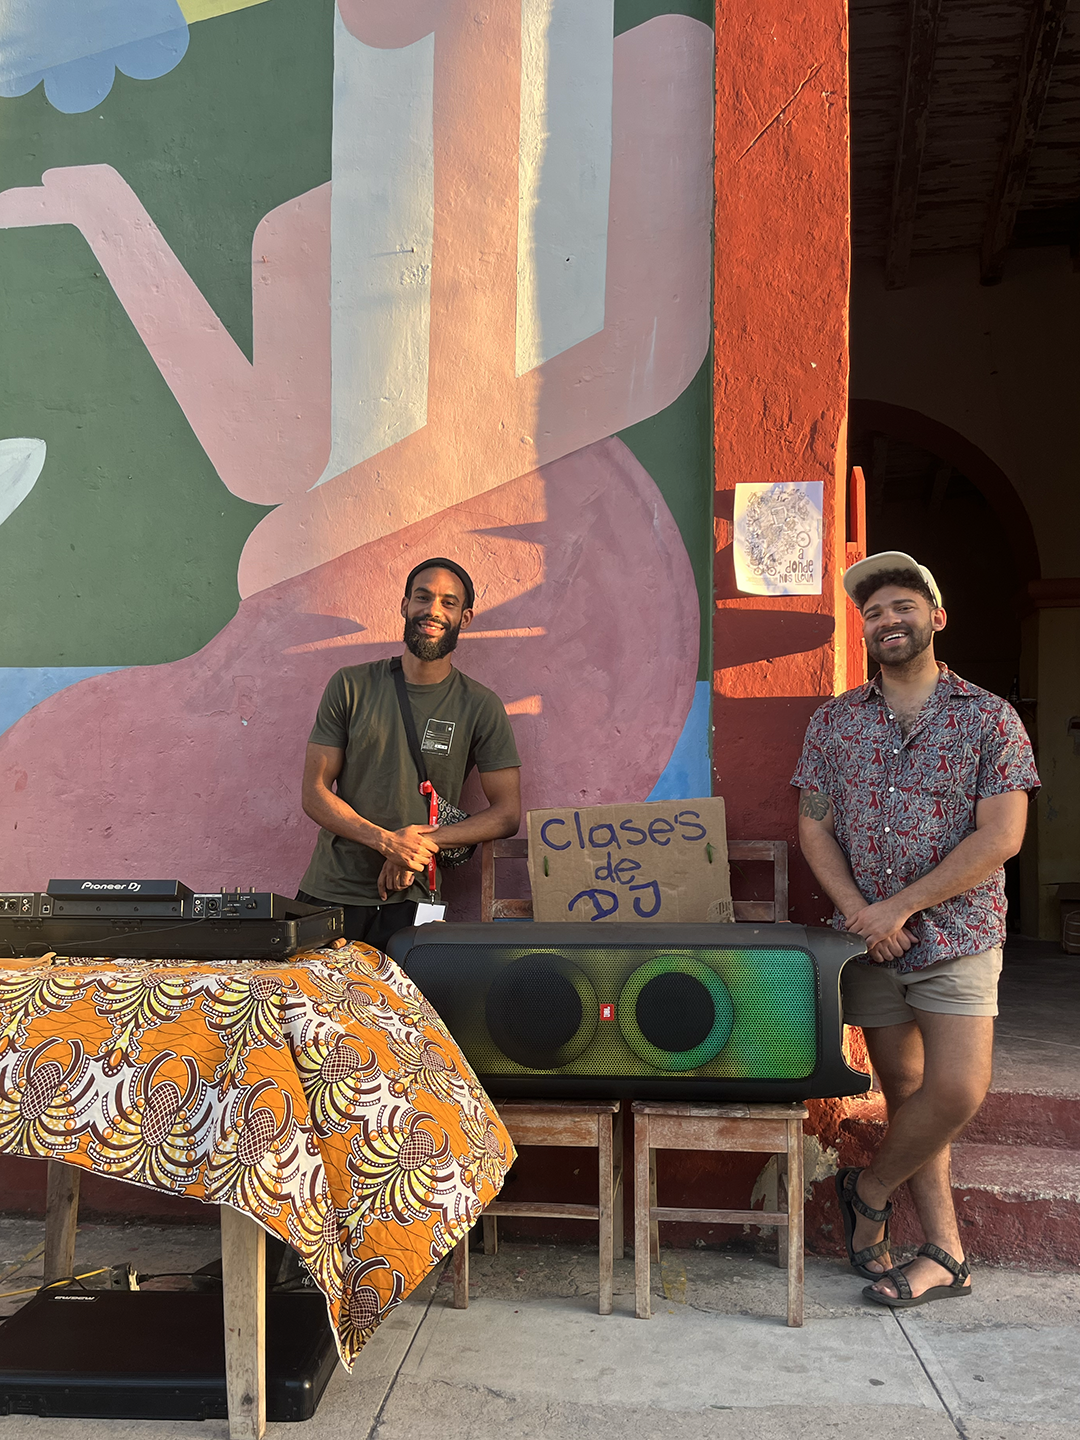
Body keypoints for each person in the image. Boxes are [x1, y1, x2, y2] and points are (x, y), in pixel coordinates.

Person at [792, 551, 1038, 1309]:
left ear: (936, 617)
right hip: (870, 943)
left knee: (955, 1088)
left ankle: (865, 1191)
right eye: (872, 613)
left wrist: (899, 906)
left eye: (903, 605)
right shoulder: (834, 721)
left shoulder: (989, 716)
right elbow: (813, 827)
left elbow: (1002, 836)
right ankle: (944, 1255)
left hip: (958, 935)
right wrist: (866, 916)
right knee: (905, 1093)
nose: (886, 620)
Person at [298, 557, 522, 948]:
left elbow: (506, 814)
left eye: (448, 603)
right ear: (405, 606)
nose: (433, 610)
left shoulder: (480, 705)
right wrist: (387, 842)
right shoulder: (350, 686)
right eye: (423, 597)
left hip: (415, 895)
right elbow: (314, 793)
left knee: (406, 1010)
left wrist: (419, 847)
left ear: (464, 618)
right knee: (310, 1008)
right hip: (332, 890)